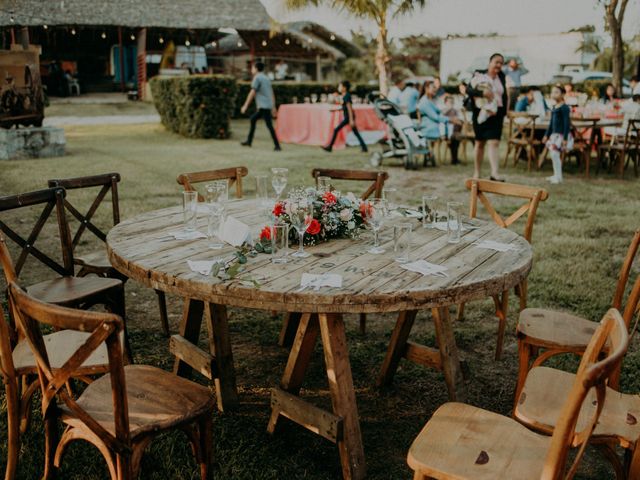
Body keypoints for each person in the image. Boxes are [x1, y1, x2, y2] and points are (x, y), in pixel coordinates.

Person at [468, 53, 508, 181]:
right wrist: (482, 92)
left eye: (501, 63)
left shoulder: (501, 77)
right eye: (496, 62)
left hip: (497, 113)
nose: (499, 65)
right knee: (480, 143)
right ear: (490, 62)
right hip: (481, 112)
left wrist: (504, 111)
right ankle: (477, 172)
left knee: (494, 142)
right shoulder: (479, 75)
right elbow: (468, 90)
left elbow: (504, 95)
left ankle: (494, 173)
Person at [417, 81, 461, 164]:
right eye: (433, 87)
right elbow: (435, 117)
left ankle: (454, 157)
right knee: (453, 134)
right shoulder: (424, 102)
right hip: (429, 128)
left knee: (455, 134)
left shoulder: (430, 100)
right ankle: (453, 157)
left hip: (435, 126)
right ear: (426, 88)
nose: (435, 89)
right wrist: (451, 119)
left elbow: (439, 113)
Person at [241, 61, 281, 151]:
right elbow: (271, 93)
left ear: (256, 69)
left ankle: (277, 146)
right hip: (267, 105)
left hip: (264, 106)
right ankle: (249, 141)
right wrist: (273, 106)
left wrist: (245, 105)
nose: (251, 70)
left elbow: (252, 92)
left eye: (252, 68)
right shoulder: (266, 78)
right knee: (253, 120)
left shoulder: (257, 78)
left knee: (269, 125)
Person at [322, 80, 368, 153]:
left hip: (348, 118)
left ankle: (330, 147)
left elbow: (349, 108)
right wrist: (335, 110)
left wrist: (351, 120)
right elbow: (345, 107)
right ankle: (364, 148)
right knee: (356, 133)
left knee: (336, 130)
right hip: (349, 117)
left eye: (340, 86)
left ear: (344, 88)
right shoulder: (345, 95)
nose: (339, 88)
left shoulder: (347, 96)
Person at [542, 84, 573, 184]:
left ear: (563, 94)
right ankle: (556, 175)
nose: (553, 94)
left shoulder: (564, 108)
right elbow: (551, 123)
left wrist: (565, 138)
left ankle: (559, 177)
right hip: (554, 136)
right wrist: (546, 135)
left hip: (561, 136)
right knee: (553, 155)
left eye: (556, 92)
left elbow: (566, 123)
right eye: (552, 92)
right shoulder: (554, 107)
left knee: (555, 154)